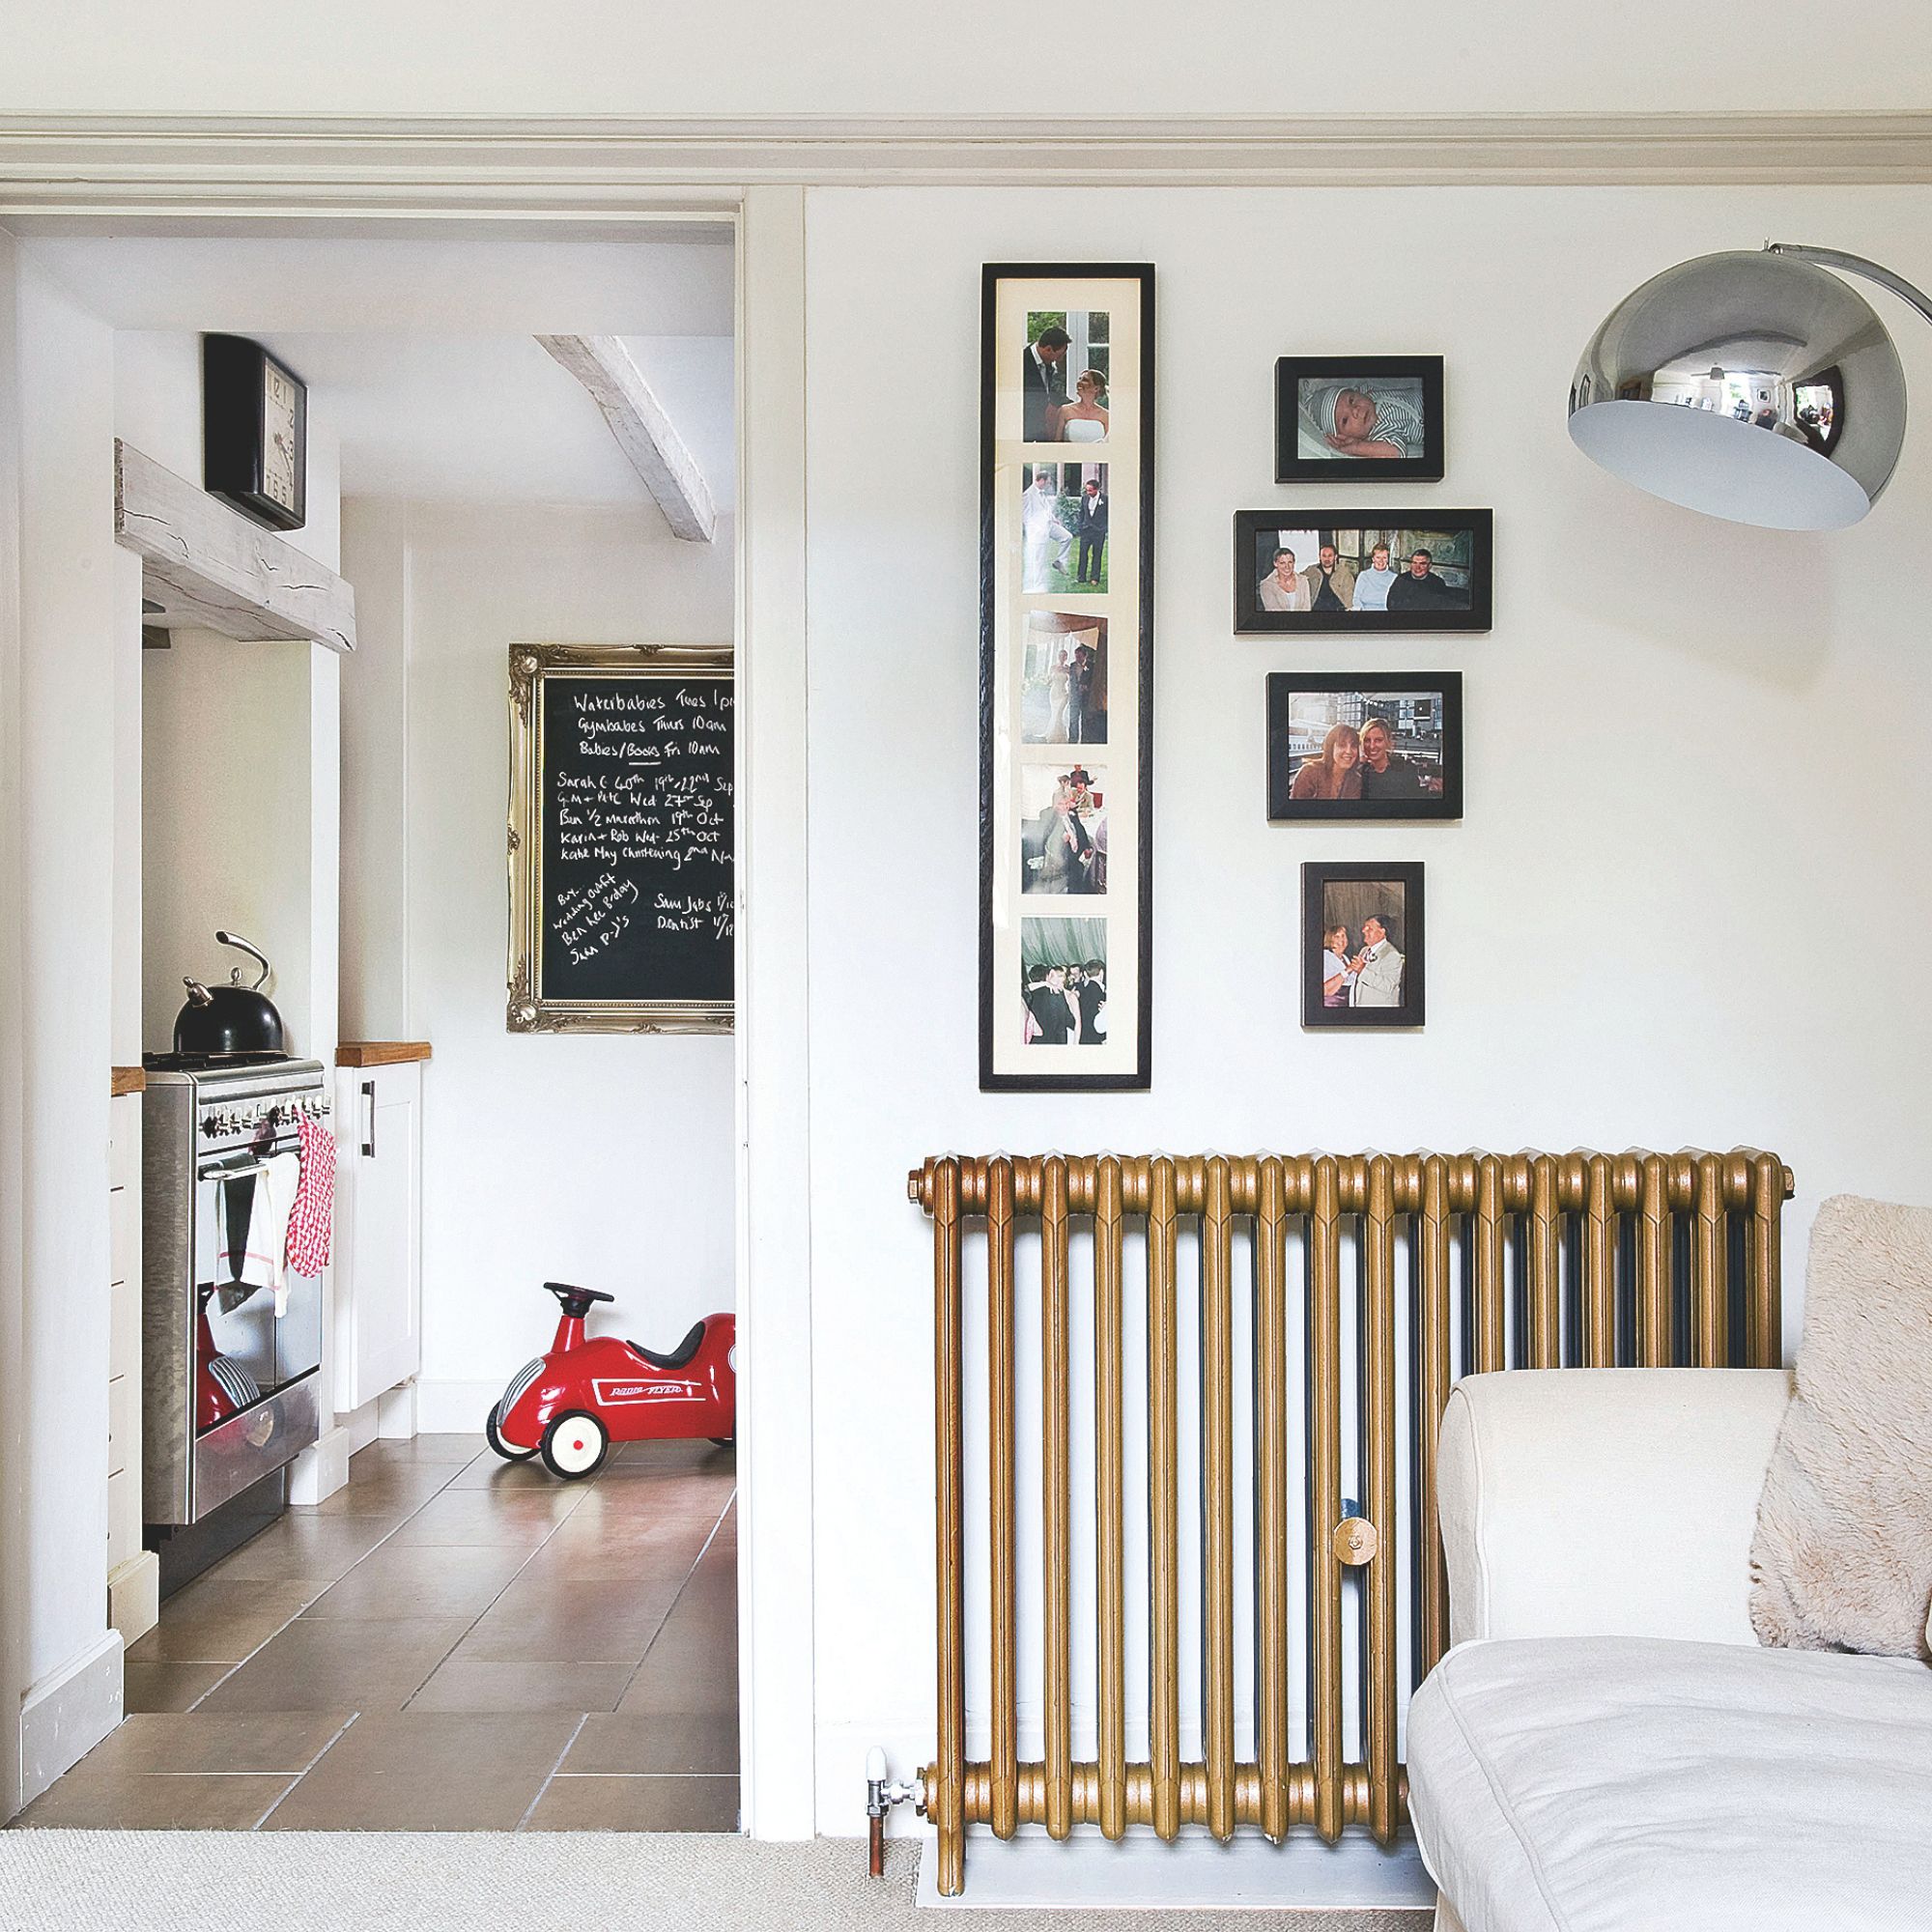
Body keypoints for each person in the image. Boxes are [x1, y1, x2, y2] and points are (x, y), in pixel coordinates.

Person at [1305, 381, 1424, 461]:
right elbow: (1396, 453)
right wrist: (1357, 446)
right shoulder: (1379, 432)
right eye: (1345, 420)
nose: (1355, 410)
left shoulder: (1368, 394)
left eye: (1351, 400)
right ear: (1343, 436)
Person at [1024, 778, 1099, 895]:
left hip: (1078, 854)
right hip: (1063, 861)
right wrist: (1061, 839)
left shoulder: (1072, 814)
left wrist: (1087, 846)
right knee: (1078, 882)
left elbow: (1080, 829)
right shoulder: (1048, 817)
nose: (1064, 807)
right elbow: (1046, 840)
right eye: (1060, 804)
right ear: (1054, 805)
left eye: (1066, 804)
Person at [1022, 468, 1072, 592]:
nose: (1049, 484)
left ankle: (1059, 561)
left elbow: (1045, 510)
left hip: (1049, 525)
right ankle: (1037, 586)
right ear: (1042, 481)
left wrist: (1054, 519)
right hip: (1038, 532)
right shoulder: (1028, 494)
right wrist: (1036, 529)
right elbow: (1025, 516)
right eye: (1048, 482)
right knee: (1039, 560)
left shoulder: (1042, 493)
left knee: (1067, 537)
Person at [1356, 716, 1430, 801]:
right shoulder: (1359, 774)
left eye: (1378, 740)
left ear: (1388, 741)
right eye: (1367, 740)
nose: (1372, 746)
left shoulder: (1406, 770)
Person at [1290, 723, 1362, 800]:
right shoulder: (1309, 773)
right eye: (1342, 745)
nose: (1348, 751)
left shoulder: (1355, 780)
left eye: (1353, 746)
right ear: (1330, 748)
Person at [1024, 325, 1069, 441]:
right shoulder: (1020, 362)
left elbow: (1053, 393)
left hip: (1040, 428)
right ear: (1048, 349)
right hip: (1023, 430)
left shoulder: (1048, 365)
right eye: (1059, 355)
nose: (1059, 360)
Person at [1384, 548, 1467, 611]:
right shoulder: (1402, 579)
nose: (1417, 567)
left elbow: (1441, 607)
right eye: (1414, 563)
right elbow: (1391, 604)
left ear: (1430, 566)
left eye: (1422, 564)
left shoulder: (1437, 582)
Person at [1350, 915, 1406, 1008]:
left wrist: (1362, 970)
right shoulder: (1364, 950)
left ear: (1382, 932)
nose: (1363, 931)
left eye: (1369, 929)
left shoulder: (1392, 955)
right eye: (1364, 928)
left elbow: (1388, 986)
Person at [1024, 961, 1075, 1043]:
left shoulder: (1028, 995)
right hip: (1055, 1041)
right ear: (1047, 976)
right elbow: (1070, 1021)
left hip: (1034, 1042)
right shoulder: (1057, 994)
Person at [1301, 542, 1356, 615]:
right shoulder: (1311, 571)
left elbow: (1349, 594)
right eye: (1324, 556)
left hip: (1337, 609)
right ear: (1320, 557)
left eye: (1330, 556)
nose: (1327, 559)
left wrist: (1349, 609)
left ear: (1335, 557)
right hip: (1317, 609)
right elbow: (1297, 578)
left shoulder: (1344, 573)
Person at [1058, 369, 1109, 443]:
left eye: (1085, 380)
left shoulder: (1106, 415)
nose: (1079, 382)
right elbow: (1057, 442)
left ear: (1096, 388)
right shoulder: (1065, 410)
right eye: (1079, 379)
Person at [1075, 475, 1108, 585]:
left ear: (1097, 489)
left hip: (1099, 532)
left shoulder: (1105, 499)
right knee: (1083, 553)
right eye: (1087, 490)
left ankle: (1095, 577)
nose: (1088, 492)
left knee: (1097, 554)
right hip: (1086, 530)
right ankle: (1081, 577)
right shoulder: (1084, 498)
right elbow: (1082, 512)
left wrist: (1104, 528)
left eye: (1090, 490)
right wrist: (1080, 525)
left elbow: (1109, 515)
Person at [1257, 546, 1310, 613]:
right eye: (1282, 563)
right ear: (1275, 563)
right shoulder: (1266, 585)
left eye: (1290, 562)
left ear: (1294, 563)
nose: (1287, 567)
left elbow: (1307, 608)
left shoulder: (1303, 581)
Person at [1351, 543, 1399, 611]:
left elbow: (1396, 602)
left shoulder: (1394, 578)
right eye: (1378, 557)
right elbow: (1356, 599)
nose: (1381, 561)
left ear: (1388, 560)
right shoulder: (1364, 576)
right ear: (1373, 559)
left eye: (1384, 558)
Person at [1321, 924, 1356, 1009]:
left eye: (1343, 936)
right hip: (1332, 1005)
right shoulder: (1325, 956)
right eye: (1337, 936)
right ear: (1330, 939)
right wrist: (1348, 970)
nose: (1341, 940)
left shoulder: (1345, 958)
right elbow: (1325, 989)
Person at [1076, 959, 1106, 1044]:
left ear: (1085, 974)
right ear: (1101, 972)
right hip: (1095, 1038)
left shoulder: (1084, 990)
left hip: (1084, 1036)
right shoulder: (1098, 991)